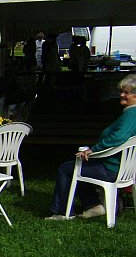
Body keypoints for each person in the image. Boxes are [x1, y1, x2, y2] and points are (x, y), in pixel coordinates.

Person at [45, 74, 136, 221]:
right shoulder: (131, 113)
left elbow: (119, 137)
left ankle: (61, 211)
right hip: (122, 168)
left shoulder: (132, 114)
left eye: (126, 92)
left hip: (111, 169)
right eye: (121, 91)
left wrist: (93, 150)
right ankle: (93, 205)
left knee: (65, 169)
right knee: (79, 165)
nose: (122, 94)